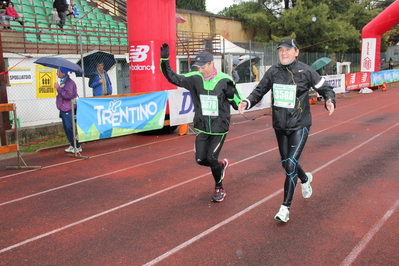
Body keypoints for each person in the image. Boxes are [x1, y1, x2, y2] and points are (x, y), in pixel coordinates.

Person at [238, 38, 336, 222]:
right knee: (286, 163)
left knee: (290, 163)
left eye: (288, 50)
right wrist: (247, 102)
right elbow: (259, 90)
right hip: (280, 126)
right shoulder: (273, 72)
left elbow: (325, 88)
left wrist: (330, 100)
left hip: (300, 124)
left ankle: (285, 207)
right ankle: (305, 179)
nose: (283, 53)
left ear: (296, 52)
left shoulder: (306, 71)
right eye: (281, 50)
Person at [160, 43, 243, 202]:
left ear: (212, 63)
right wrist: (164, 59)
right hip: (203, 127)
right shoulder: (195, 79)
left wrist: (235, 99)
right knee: (200, 160)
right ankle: (220, 166)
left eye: (203, 67)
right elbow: (172, 77)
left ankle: (219, 187)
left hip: (219, 128)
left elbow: (236, 102)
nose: (200, 70)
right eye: (198, 67)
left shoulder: (225, 80)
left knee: (211, 158)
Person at [54, 67, 82, 153]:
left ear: (63, 73)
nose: (57, 73)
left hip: (68, 108)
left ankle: (76, 146)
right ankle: (72, 144)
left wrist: (58, 88)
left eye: (58, 72)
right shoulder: (63, 81)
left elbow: (68, 96)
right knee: (66, 128)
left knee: (69, 127)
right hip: (63, 108)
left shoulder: (69, 83)